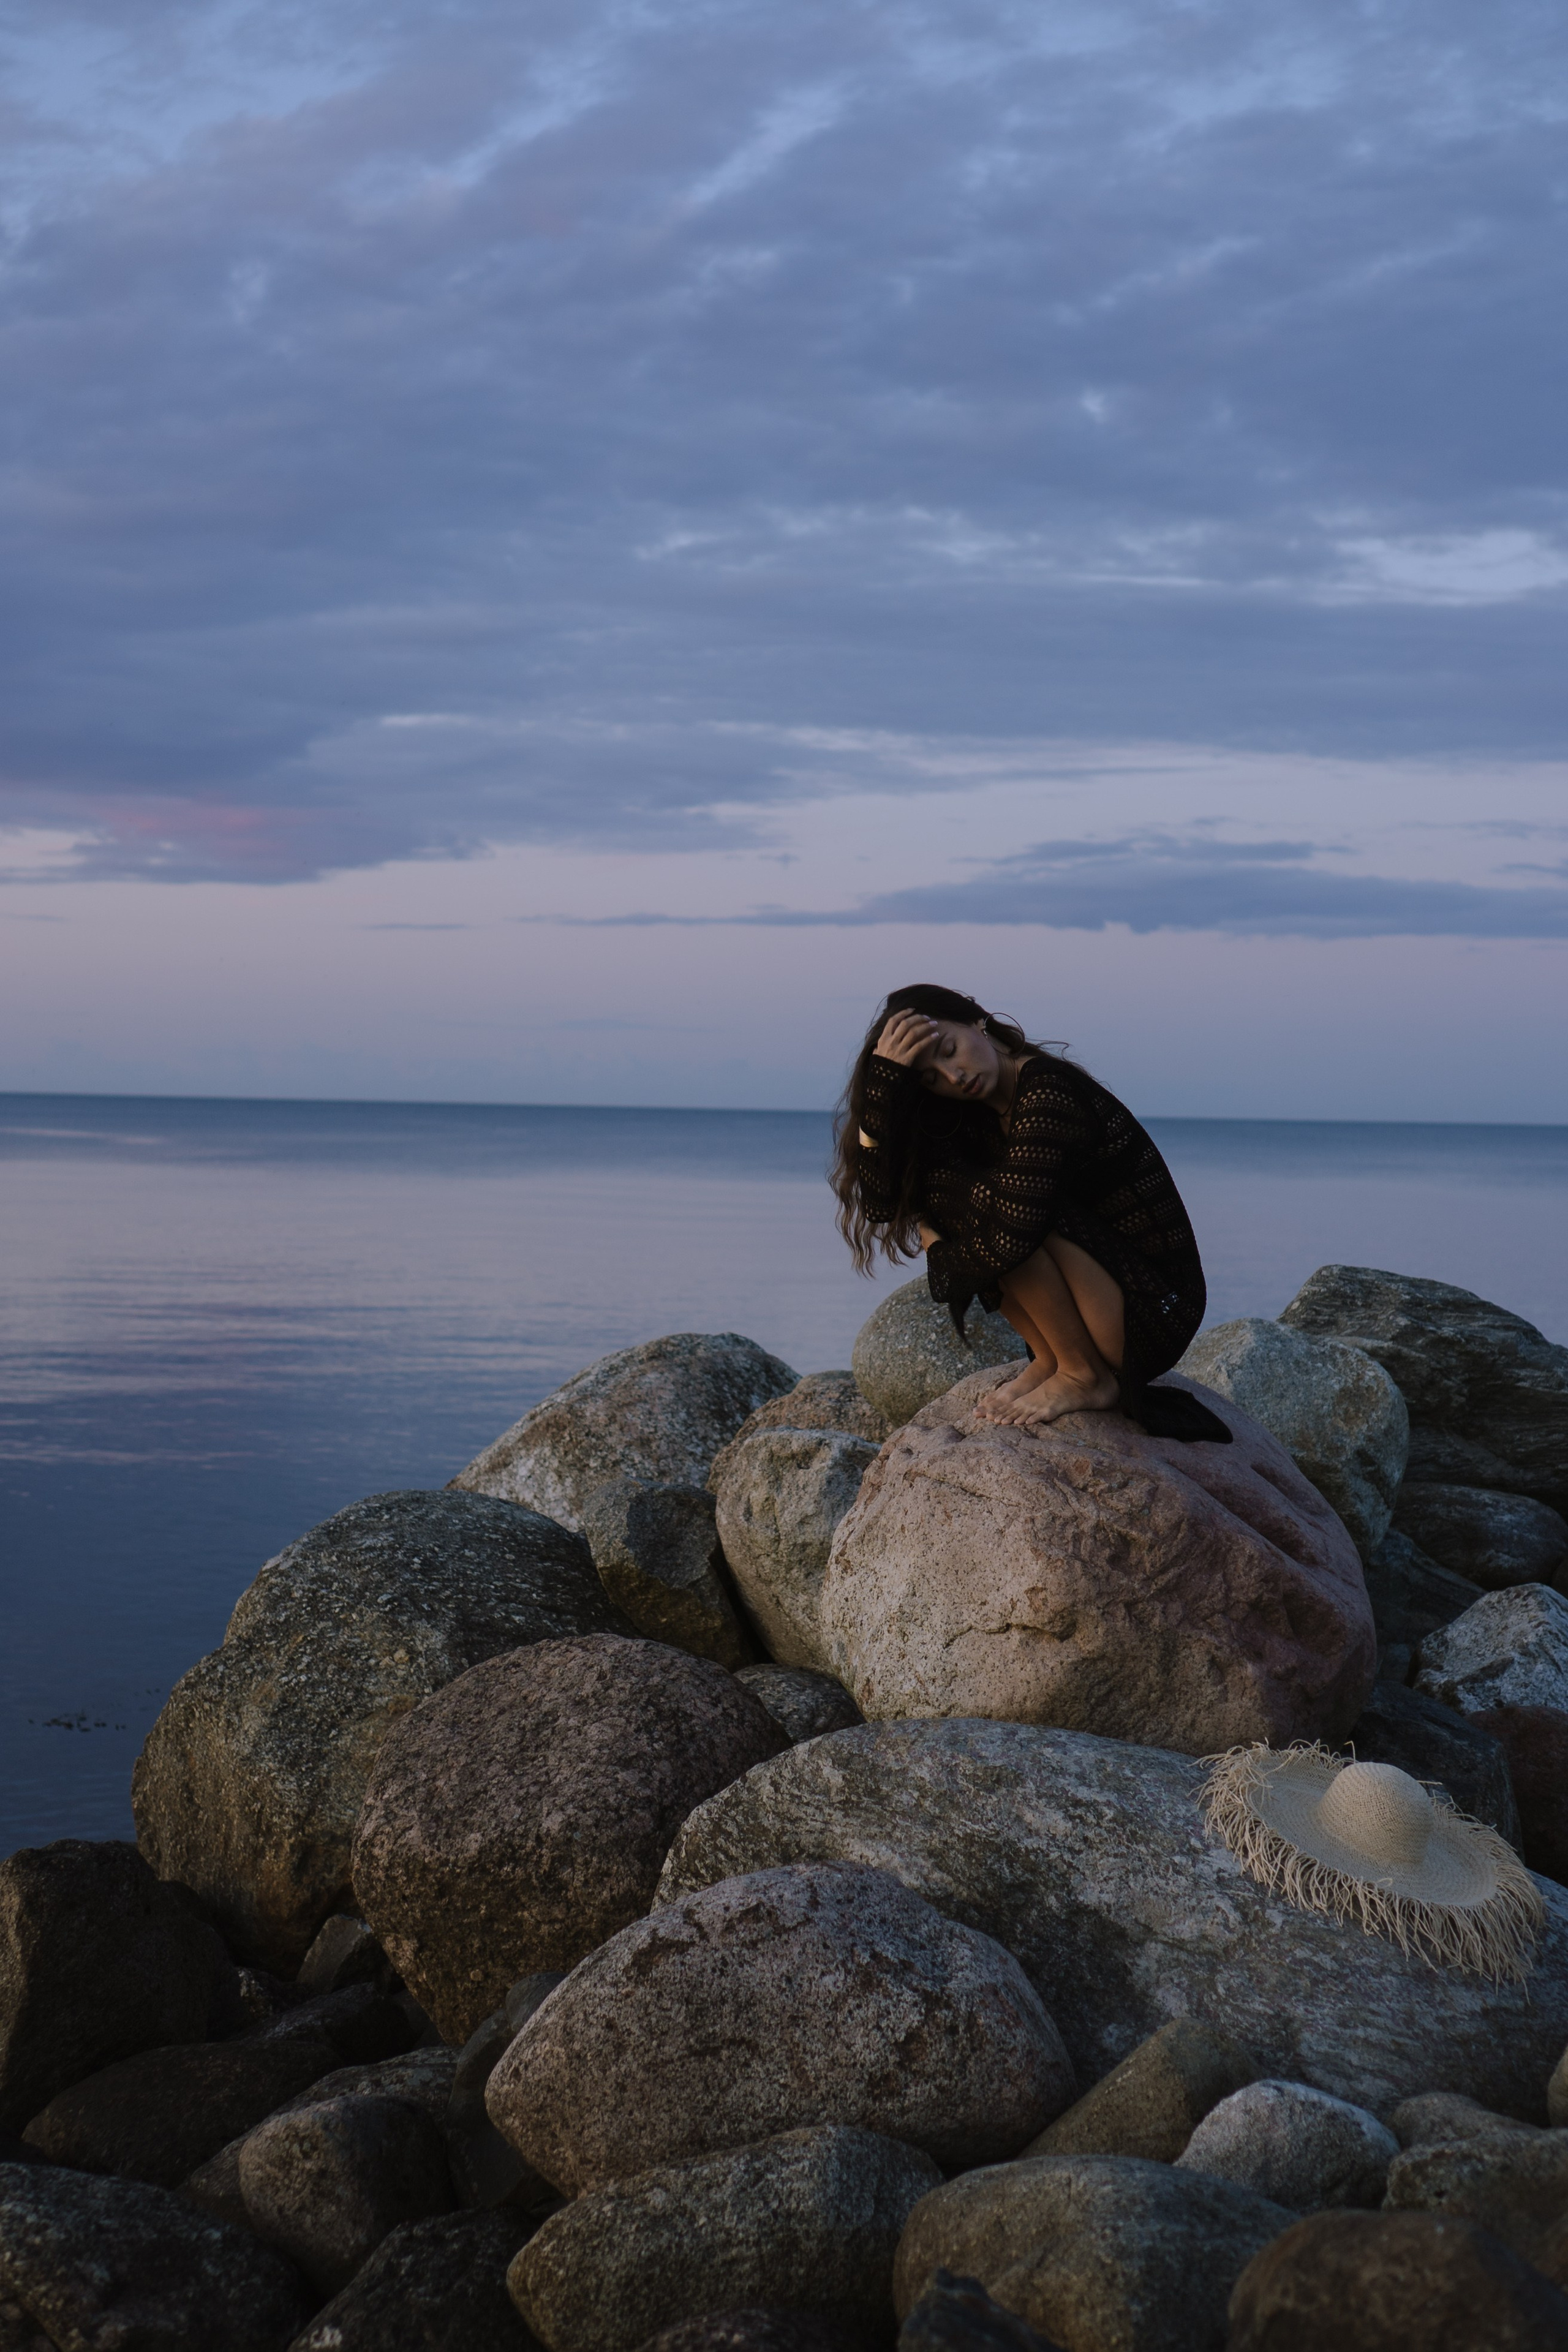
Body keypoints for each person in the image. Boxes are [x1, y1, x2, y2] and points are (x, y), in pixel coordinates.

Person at [831, 982, 1230, 1441]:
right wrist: (883, 1092)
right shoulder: (973, 1117)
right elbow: (883, 1204)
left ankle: (1084, 1375)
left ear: (978, 1021)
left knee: (1002, 1213)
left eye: (949, 1050)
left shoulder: (1047, 1090)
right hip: (1103, 1292)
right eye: (929, 1078)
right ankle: (1052, 1358)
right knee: (944, 1192)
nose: (953, 1077)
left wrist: (943, 1257)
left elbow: (1013, 1234)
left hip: (1151, 1309)